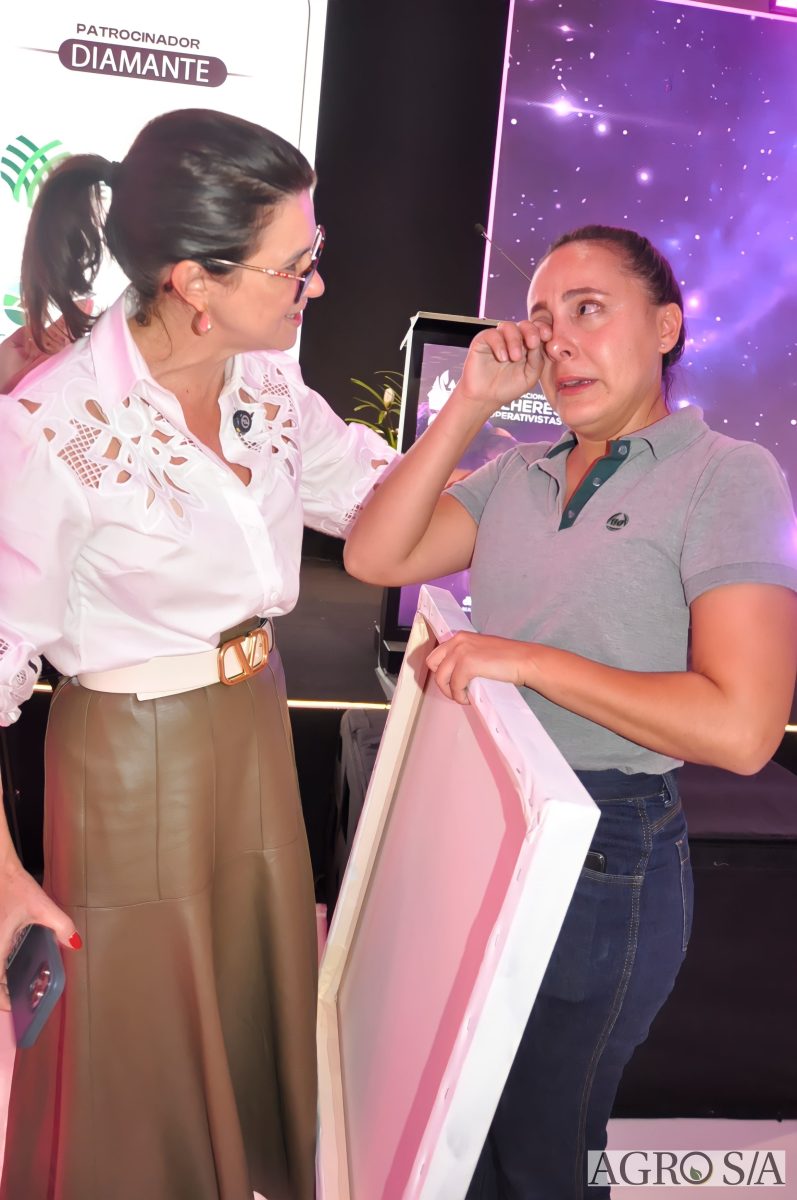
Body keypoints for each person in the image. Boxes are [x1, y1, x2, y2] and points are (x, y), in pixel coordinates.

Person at [343, 225, 797, 1199]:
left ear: (665, 326)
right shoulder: (518, 471)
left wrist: (527, 662)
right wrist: (469, 402)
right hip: (488, 818)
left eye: (588, 309)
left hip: (606, 851)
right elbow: (374, 554)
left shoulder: (726, 475)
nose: (557, 340)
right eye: (542, 318)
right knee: (462, 1127)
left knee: (545, 1149)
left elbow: (741, 728)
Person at [0, 108, 395, 1200]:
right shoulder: (53, 427)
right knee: (136, 1047)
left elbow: (370, 495)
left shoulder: (265, 384)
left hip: (252, 721)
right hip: (131, 761)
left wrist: (498, 457)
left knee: (241, 997)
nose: (314, 282)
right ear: (194, 282)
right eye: (293, 265)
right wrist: (4, 879)